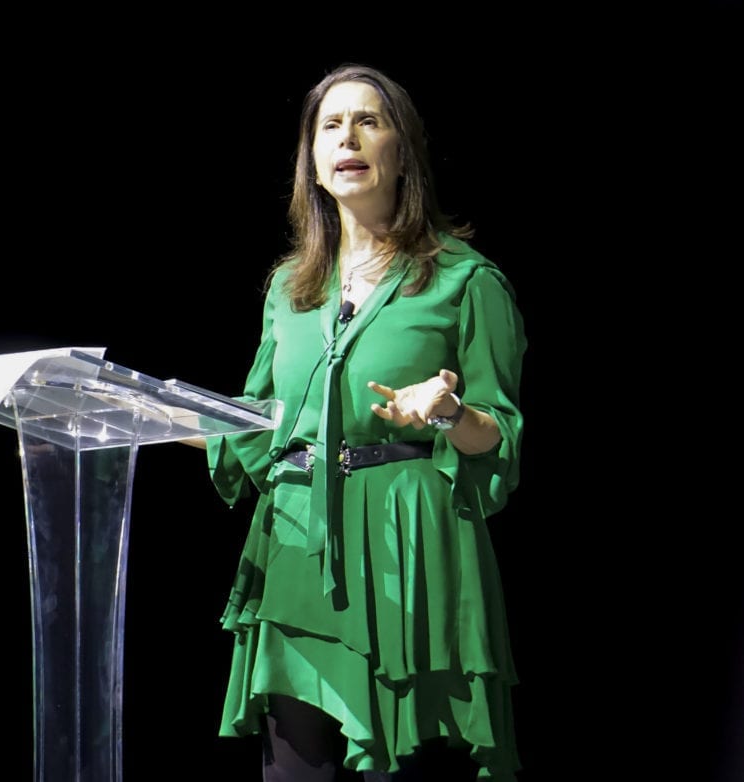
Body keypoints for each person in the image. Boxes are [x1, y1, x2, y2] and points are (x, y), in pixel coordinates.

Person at [181, 63, 526, 780]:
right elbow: (256, 425)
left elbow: (498, 437)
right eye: (330, 125)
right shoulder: (289, 287)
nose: (349, 137)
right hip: (295, 544)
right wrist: (154, 418)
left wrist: (452, 412)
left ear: (403, 151)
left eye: (369, 120)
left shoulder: (465, 280)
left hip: (411, 546)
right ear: (312, 159)